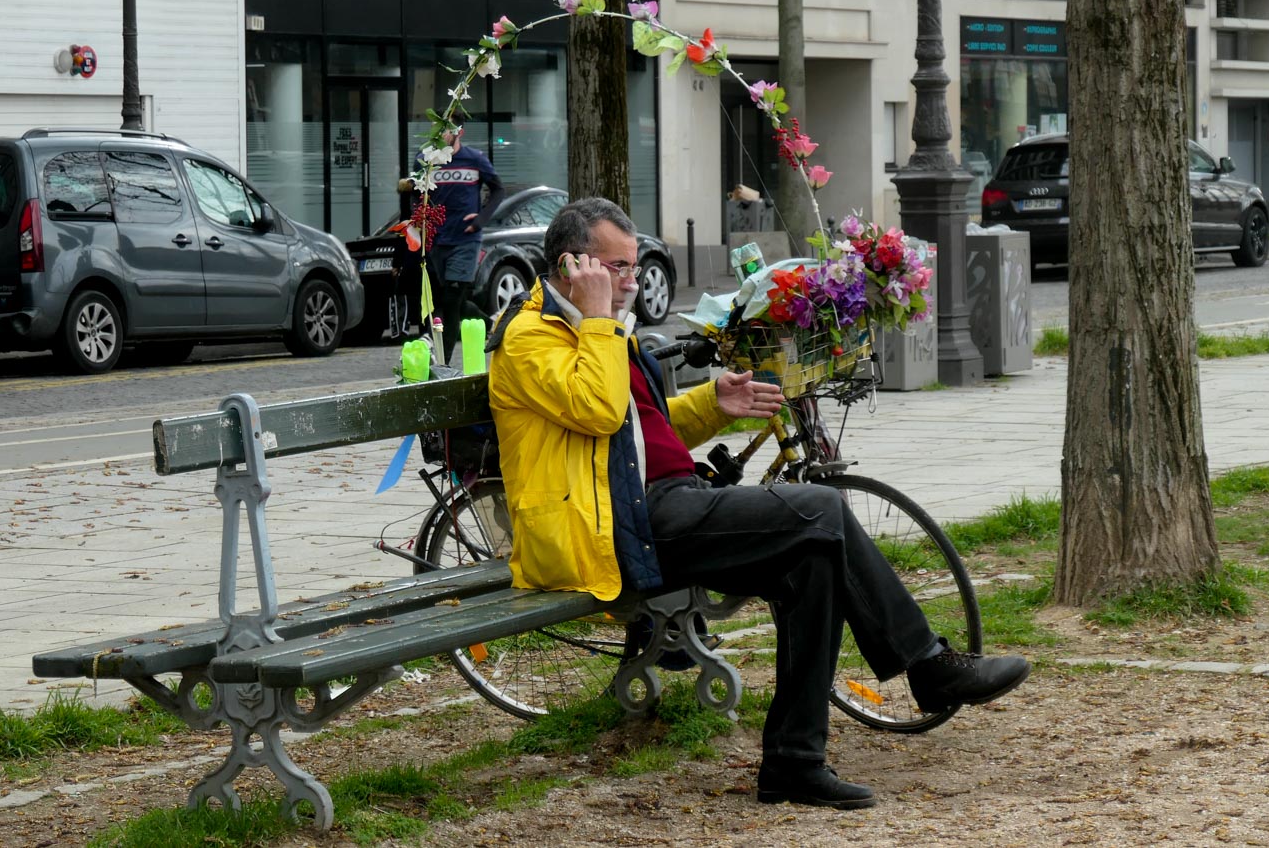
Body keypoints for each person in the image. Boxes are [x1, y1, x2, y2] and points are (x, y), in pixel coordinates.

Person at [487, 197, 1032, 810]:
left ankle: (795, 763)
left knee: (812, 561)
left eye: (634, 267)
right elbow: (598, 410)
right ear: (572, 266)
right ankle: (927, 665)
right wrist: (599, 321)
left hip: (660, 504)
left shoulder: (597, 330)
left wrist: (712, 404)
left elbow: (634, 437)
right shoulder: (531, 337)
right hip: (610, 529)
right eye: (618, 268)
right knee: (821, 509)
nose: (632, 281)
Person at [404, 112, 504, 360]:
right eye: (437, 129)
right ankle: (491, 325)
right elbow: (416, 193)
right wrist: (419, 219)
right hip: (436, 240)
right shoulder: (425, 160)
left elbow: (498, 190)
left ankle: (444, 363)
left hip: (465, 240)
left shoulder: (474, 160)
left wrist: (480, 220)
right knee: (446, 300)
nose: (440, 134)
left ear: (460, 132)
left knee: (451, 300)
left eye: (446, 130)